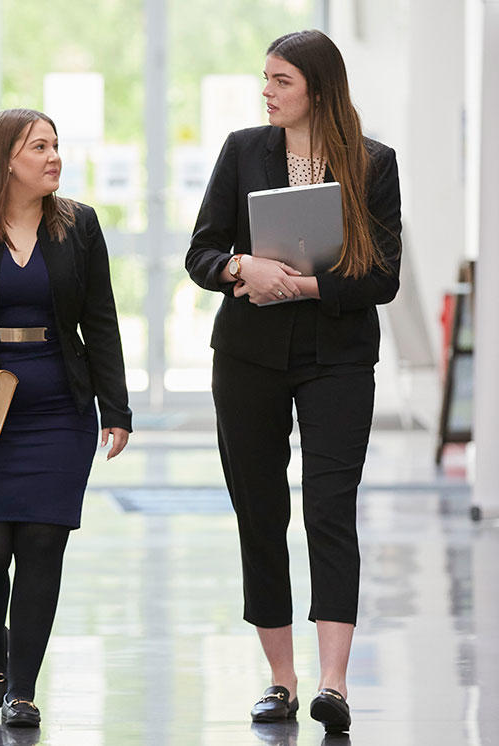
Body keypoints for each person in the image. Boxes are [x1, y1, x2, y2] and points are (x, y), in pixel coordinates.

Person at [185, 30, 401, 734]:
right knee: (260, 510)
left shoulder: (373, 163)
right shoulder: (243, 150)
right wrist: (240, 267)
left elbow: (383, 276)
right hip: (247, 356)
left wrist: (303, 284)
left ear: (318, 87)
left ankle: (334, 683)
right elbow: (201, 252)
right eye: (266, 79)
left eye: (281, 81)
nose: (267, 92)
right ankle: (281, 680)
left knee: (330, 510)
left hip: (339, 357)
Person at [0, 108, 132, 728]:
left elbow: (101, 319)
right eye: (40, 147)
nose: (54, 156)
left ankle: (22, 689)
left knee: (42, 546)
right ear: (6, 158)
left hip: (60, 411)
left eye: (55, 145)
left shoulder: (79, 226)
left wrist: (115, 407)